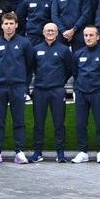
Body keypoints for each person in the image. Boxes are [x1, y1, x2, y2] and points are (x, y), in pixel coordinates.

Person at [0, 15, 32, 163]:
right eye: (6, 23)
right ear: (2, 26)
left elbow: (29, 65)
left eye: (12, 23)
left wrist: (25, 84)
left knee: (19, 120)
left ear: (16, 25)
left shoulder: (24, 43)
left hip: (18, 87)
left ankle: (19, 152)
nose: (9, 26)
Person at [27, 20, 76, 163]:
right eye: (47, 30)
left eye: (53, 31)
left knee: (59, 122)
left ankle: (60, 153)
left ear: (57, 33)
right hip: (40, 90)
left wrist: (59, 80)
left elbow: (69, 69)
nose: (50, 33)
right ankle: (37, 152)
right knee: (39, 123)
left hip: (57, 90)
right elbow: (33, 68)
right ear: (43, 33)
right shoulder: (35, 49)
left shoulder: (64, 49)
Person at [69, 25, 100, 162]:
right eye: (86, 35)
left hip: (98, 92)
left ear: (97, 37)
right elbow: (75, 73)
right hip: (82, 92)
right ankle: (83, 152)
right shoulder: (78, 54)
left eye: (91, 35)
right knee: (80, 123)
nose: (88, 38)